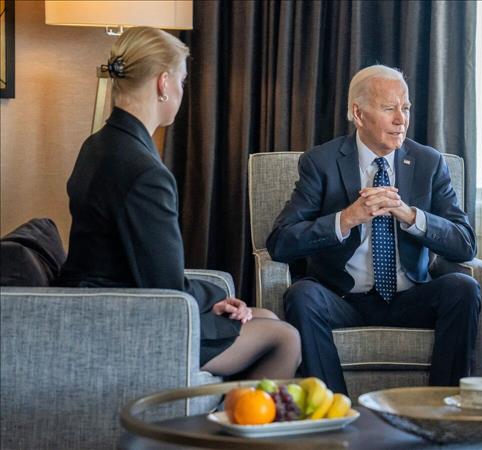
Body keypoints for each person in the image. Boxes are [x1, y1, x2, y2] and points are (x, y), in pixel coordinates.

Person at [57, 27, 300, 380]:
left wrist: (212, 299)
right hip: (129, 324)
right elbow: (168, 289)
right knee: (285, 338)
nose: (182, 91)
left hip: (102, 308)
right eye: (182, 82)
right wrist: (215, 295)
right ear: (163, 83)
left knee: (266, 317)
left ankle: (232, 413)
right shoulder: (144, 172)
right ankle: (236, 417)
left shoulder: (97, 145)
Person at [266, 65, 481, 395]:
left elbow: (464, 243)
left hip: (411, 297)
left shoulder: (428, 162)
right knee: (302, 295)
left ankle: (441, 407)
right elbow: (281, 241)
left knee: (463, 287)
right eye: (389, 108)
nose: (400, 119)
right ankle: (333, 409)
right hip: (343, 298)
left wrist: (410, 215)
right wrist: (347, 218)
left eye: (405, 108)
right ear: (358, 113)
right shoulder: (321, 163)